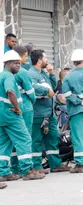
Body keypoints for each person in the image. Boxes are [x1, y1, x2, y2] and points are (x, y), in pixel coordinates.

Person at [0, 50, 45, 181]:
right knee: (25, 139)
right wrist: (17, 108)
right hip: (11, 114)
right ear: (7, 64)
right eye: (16, 63)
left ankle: (3, 172)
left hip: (2, 115)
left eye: (19, 63)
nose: (19, 65)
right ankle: (27, 170)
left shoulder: (1, 75)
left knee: (4, 143)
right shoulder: (9, 76)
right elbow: (10, 92)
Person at [29, 50, 70, 173]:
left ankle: (55, 164)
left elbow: (52, 86)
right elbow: (32, 88)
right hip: (38, 114)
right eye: (45, 58)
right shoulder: (31, 74)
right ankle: (37, 167)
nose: (47, 60)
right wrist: (45, 91)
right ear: (39, 60)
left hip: (49, 114)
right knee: (36, 141)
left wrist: (52, 73)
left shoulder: (43, 73)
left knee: (52, 138)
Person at [10, 46, 36, 175]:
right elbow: (31, 92)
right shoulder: (23, 72)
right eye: (26, 56)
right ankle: (26, 168)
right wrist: (33, 99)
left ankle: (15, 168)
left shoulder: (7, 72)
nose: (27, 59)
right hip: (25, 107)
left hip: (12, 108)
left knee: (13, 140)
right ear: (21, 56)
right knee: (25, 138)